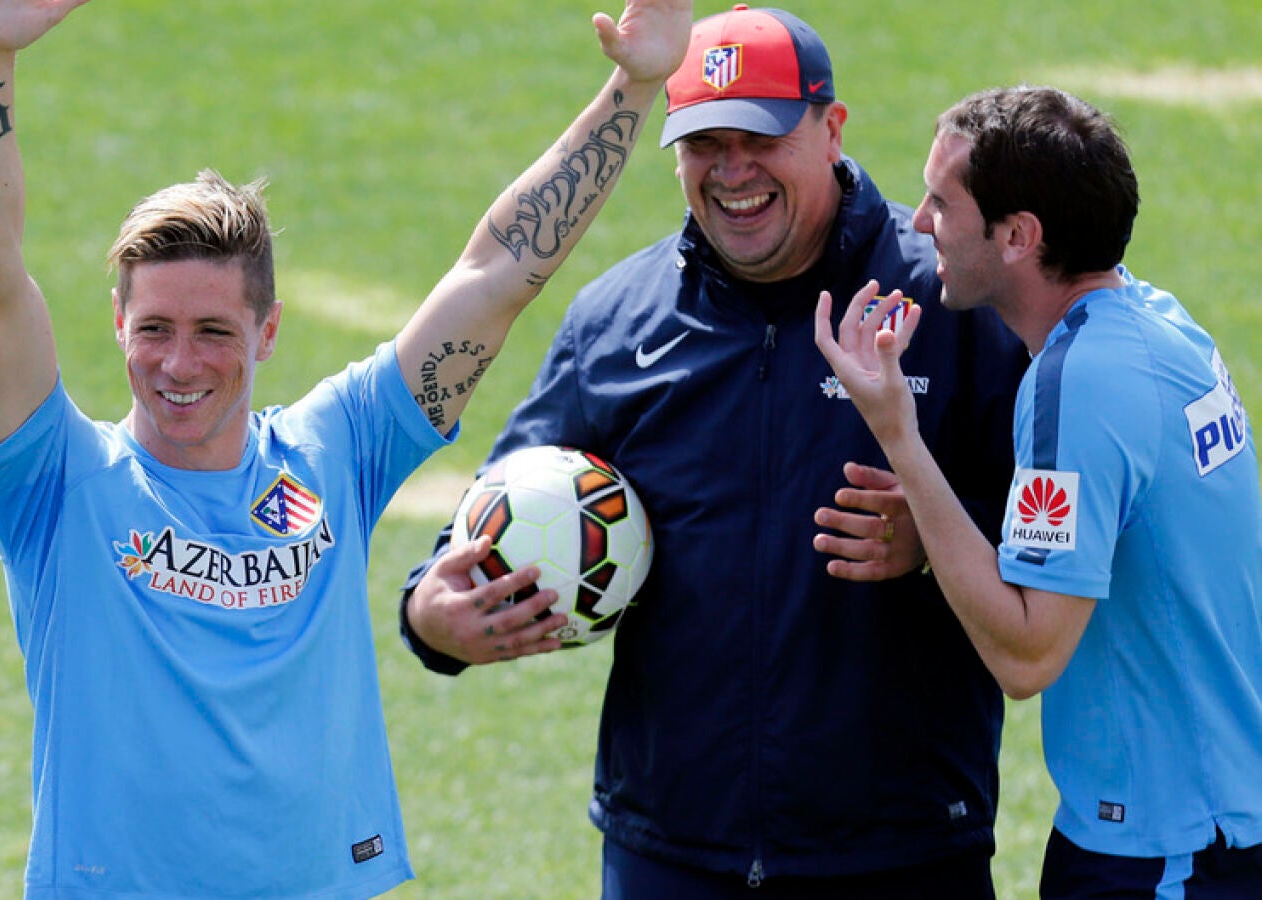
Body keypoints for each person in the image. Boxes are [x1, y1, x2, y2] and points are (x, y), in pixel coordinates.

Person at [0, 0, 693, 896]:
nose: (180, 364)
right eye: (154, 329)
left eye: (214, 331)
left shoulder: (336, 449)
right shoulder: (54, 480)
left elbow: (496, 275)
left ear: (267, 332)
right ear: (117, 324)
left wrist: (635, 85)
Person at [397, 5, 1031, 897]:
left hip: (901, 851)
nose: (732, 172)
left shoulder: (948, 302)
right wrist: (431, 616)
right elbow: (496, 512)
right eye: (702, 144)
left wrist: (934, 538)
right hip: (671, 853)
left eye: (759, 139)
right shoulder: (616, 323)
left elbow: (1060, 553)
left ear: (831, 129)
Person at [815, 85, 1262, 898]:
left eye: (942, 203)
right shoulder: (1156, 319)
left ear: (1018, 235)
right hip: (1209, 815)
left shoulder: (1077, 383)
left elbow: (1026, 653)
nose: (919, 223)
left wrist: (896, 433)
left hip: (1164, 850)